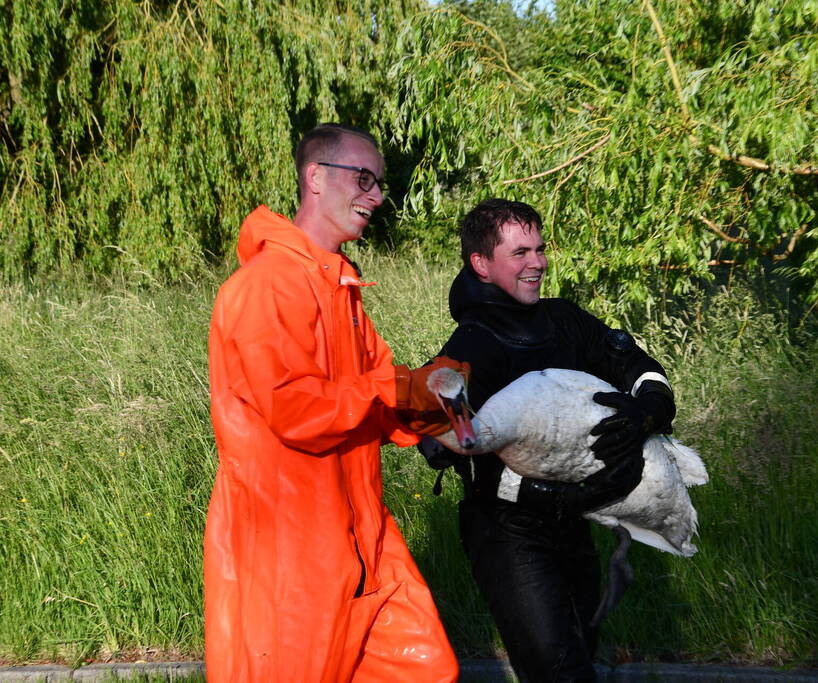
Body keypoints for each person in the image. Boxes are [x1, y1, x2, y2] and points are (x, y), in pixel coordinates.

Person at [205, 123, 467, 682]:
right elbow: (294, 410)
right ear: (316, 178)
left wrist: (464, 422)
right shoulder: (267, 286)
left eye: (380, 183)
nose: (376, 195)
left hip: (361, 533)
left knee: (427, 670)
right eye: (364, 178)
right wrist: (393, 389)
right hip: (289, 549)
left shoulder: (341, 290)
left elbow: (384, 395)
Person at [421, 198, 677, 682]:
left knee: (581, 655)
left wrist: (648, 411)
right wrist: (448, 429)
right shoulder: (470, 346)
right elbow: (438, 436)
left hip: (573, 523)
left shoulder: (566, 322)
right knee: (559, 673)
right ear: (481, 263)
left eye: (539, 249)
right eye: (519, 253)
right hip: (507, 533)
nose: (537, 263)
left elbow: (639, 368)